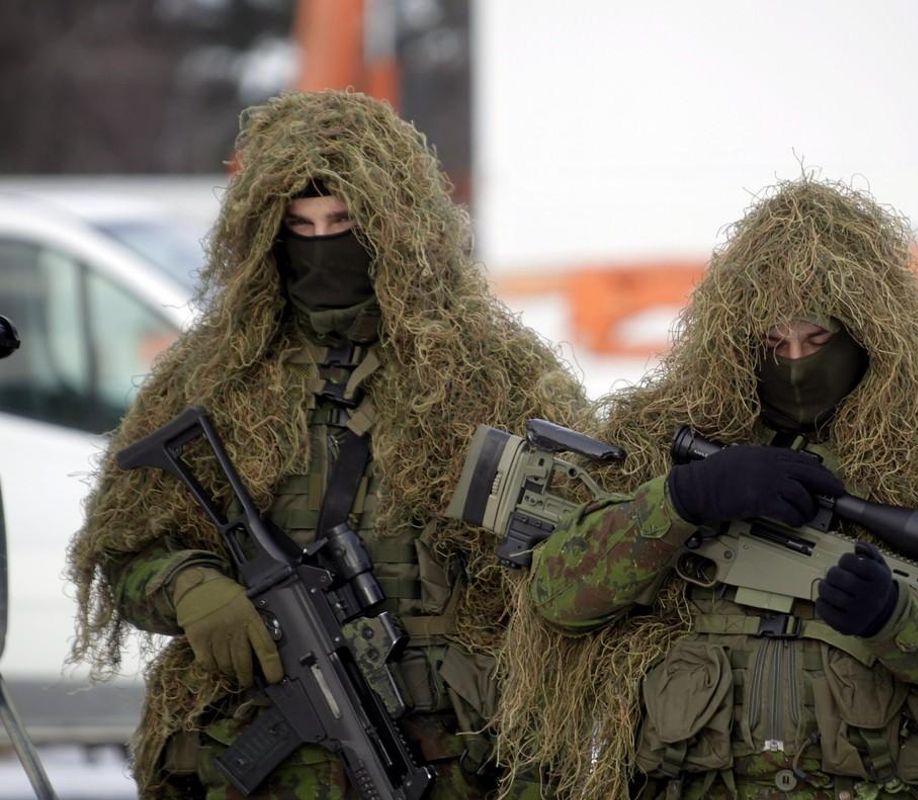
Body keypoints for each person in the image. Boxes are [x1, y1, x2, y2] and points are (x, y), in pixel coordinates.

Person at [66, 90, 587, 799]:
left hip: (448, 755)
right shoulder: (212, 376)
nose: (321, 246)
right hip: (258, 757)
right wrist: (189, 586)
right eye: (299, 226)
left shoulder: (495, 375)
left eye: (342, 221)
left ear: (395, 226)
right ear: (266, 233)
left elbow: (578, 564)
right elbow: (126, 548)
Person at [493, 177, 918, 800]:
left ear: (866, 335)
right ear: (740, 341)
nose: (796, 361)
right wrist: (685, 499)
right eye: (775, 342)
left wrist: (891, 618)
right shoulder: (664, 435)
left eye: (817, 340)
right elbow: (558, 593)